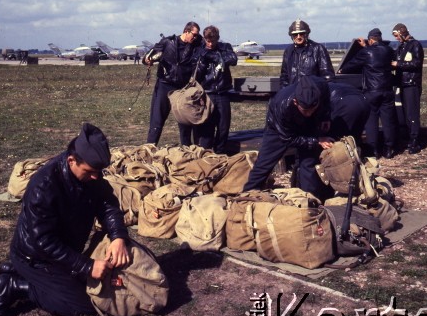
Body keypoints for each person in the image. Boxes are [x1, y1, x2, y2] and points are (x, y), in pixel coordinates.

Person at [0, 123, 130, 316]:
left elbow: (108, 204)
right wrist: (88, 266)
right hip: (36, 256)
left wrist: (118, 236)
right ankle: (15, 286)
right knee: (83, 305)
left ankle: (16, 271)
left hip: (65, 252)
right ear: (71, 160)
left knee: (95, 287)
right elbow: (45, 242)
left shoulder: (92, 176)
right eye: (90, 171)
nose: (96, 177)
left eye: (98, 172)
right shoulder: (43, 186)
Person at [243, 76, 335, 202]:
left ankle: (309, 201)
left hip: (309, 124)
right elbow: (289, 139)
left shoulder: (321, 87)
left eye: (312, 109)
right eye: (305, 110)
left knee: (308, 163)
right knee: (264, 163)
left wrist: (325, 117)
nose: (308, 113)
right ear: (296, 102)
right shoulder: (281, 105)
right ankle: (246, 196)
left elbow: (326, 102)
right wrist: (316, 141)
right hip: (280, 129)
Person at [338, 28, 398, 159]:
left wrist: (342, 70)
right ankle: (389, 149)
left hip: (372, 91)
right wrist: (367, 46)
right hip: (387, 90)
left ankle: (374, 150)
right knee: (388, 121)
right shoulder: (389, 51)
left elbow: (353, 63)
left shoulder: (366, 52)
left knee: (371, 121)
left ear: (370, 39)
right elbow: (379, 54)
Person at [143, 22, 202, 146]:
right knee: (157, 121)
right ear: (186, 31)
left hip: (183, 88)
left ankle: (186, 150)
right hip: (164, 85)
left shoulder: (196, 44)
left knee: (184, 120)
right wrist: (147, 60)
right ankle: (148, 149)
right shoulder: (167, 42)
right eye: (194, 35)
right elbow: (149, 55)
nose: (196, 37)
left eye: (197, 36)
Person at [194, 25, 238, 154]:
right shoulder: (199, 51)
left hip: (223, 94)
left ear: (217, 39)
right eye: (208, 41)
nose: (210, 44)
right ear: (204, 38)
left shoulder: (225, 47)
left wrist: (218, 58)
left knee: (223, 128)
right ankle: (206, 156)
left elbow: (233, 59)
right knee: (206, 129)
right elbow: (196, 74)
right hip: (207, 94)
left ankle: (220, 154)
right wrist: (203, 58)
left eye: (213, 41)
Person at [391, 23, 424, 154]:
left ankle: (415, 139)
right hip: (403, 83)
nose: (396, 38)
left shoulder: (415, 45)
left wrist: (398, 64)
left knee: (412, 113)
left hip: (412, 84)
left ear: (402, 33)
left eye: (396, 36)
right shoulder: (402, 46)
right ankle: (409, 137)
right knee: (404, 113)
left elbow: (417, 63)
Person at [280, 18, 335, 87]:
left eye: (301, 34)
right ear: (291, 36)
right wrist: (285, 93)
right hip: (292, 94)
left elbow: (328, 77)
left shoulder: (318, 49)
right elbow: (284, 77)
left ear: (306, 34)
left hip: (312, 94)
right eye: (295, 34)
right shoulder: (288, 51)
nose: (298, 37)